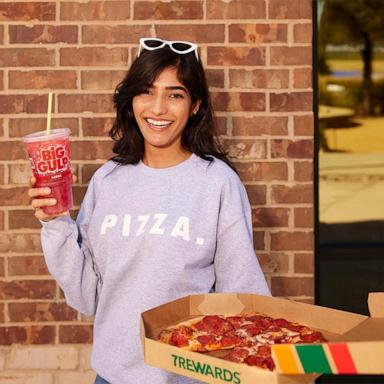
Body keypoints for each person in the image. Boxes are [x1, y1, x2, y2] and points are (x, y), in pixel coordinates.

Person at [28, 38, 271, 384]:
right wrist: (55, 224)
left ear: (196, 105)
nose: (157, 109)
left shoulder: (217, 183)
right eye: (146, 91)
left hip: (190, 379)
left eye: (175, 95)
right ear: (131, 101)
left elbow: (243, 292)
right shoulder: (107, 181)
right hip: (112, 378)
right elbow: (87, 297)